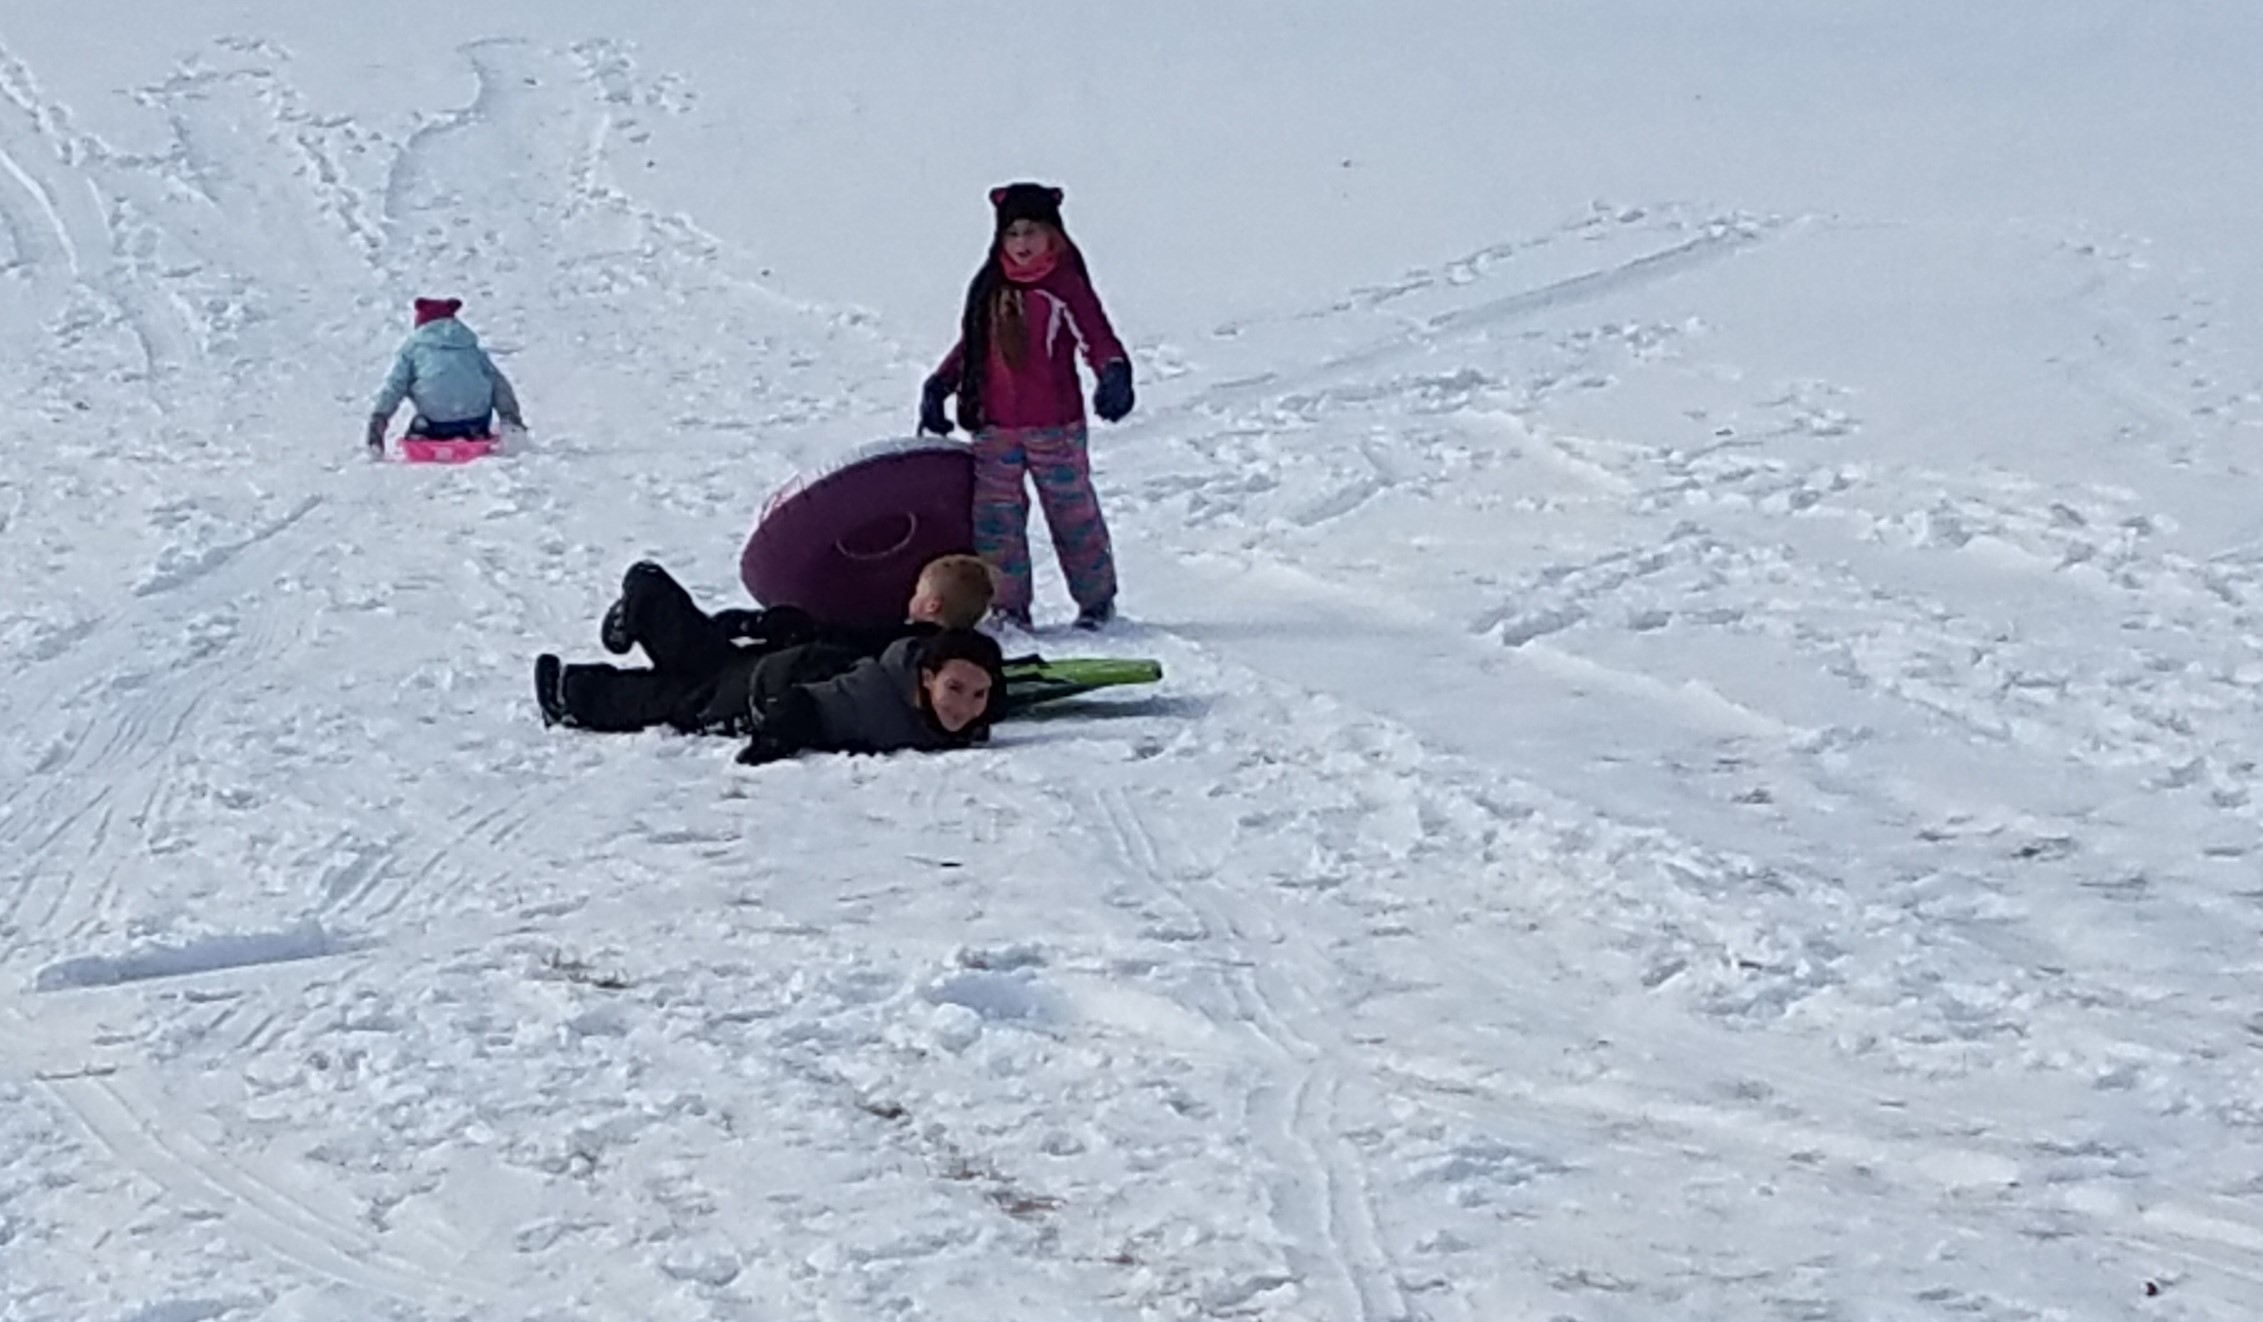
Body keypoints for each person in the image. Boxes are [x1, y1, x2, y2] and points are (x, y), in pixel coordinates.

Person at [919, 182, 1134, 632]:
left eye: (1031, 232)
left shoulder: (1063, 286)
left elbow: (1095, 336)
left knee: (1071, 513)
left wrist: (1113, 371)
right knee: (997, 524)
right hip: (994, 425)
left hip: (1053, 426)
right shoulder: (990, 287)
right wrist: (941, 383)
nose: (1021, 244)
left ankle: (1096, 602)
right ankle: (1008, 608)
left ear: (1052, 235)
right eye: (1012, 233)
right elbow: (973, 345)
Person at [532, 554, 995, 736]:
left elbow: (837, 641)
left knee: (684, 685)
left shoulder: (909, 645)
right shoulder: (959, 660)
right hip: (774, 670)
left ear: (930, 604)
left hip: (775, 673)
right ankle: (578, 689)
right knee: (681, 681)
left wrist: (778, 626)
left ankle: (648, 597)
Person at [733, 627, 1005, 765]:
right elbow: (798, 705)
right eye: (954, 688)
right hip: (760, 681)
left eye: (979, 694)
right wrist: (771, 740)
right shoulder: (871, 699)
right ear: (927, 679)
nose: (964, 706)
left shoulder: (974, 717)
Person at [364, 296, 526, 453]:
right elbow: (499, 384)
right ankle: (474, 433)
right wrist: (510, 417)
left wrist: (379, 418)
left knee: (420, 421)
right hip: (475, 421)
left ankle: (422, 435)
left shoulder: (413, 349)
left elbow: (395, 386)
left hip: (436, 422)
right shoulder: (471, 348)